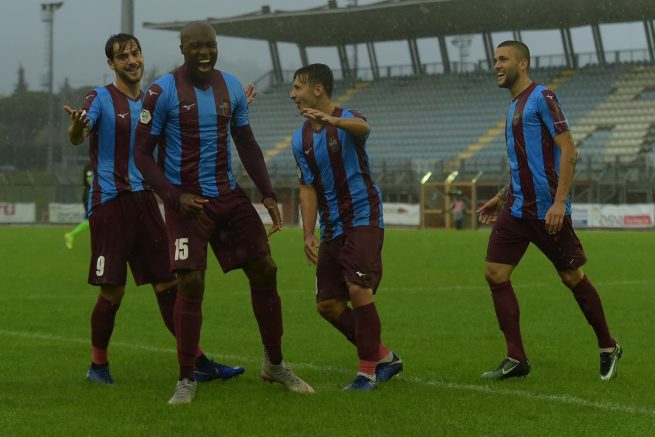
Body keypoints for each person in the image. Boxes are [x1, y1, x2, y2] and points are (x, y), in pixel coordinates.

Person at [134, 22, 314, 405]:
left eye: (210, 45)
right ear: (183, 49)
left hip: (228, 197)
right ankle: (186, 378)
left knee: (266, 269)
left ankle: (275, 364)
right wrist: (173, 197)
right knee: (191, 283)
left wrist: (267, 192)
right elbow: (142, 155)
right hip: (187, 204)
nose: (205, 52)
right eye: (196, 46)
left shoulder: (230, 87)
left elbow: (246, 143)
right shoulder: (161, 92)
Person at [63, 33, 244, 386]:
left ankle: (197, 361)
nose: (132, 61)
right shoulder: (99, 98)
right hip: (110, 203)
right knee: (112, 290)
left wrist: (228, 111)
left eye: (136, 53)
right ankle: (98, 365)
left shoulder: (153, 100)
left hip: (146, 201)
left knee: (168, 285)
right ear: (111, 64)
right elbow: (78, 134)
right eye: (123, 56)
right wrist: (76, 126)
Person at [476, 41, 622, 381]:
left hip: (546, 210)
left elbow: (569, 149)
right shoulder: (512, 107)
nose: (496, 65)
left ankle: (607, 346)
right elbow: (522, 163)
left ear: (522, 63)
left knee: (571, 277)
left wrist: (559, 202)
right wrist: (501, 196)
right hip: (515, 209)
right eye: (494, 60)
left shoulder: (543, 97)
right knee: (495, 273)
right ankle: (516, 358)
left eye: (503, 59)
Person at [290, 63, 403, 392]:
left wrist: (333, 121)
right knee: (327, 304)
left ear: (317, 89)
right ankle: (384, 357)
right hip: (332, 226)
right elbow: (307, 187)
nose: (292, 94)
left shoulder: (347, 118)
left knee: (357, 287)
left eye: (297, 87)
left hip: (363, 216)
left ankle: (367, 373)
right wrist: (308, 232)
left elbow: (363, 128)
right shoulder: (300, 138)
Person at [64, 163, 92, 249]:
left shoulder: (96, 165)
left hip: (92, 196)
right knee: (91, 220)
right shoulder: (90, 166)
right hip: (90, 196)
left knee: (91, 220)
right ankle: (70, 234)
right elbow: (90, 180)